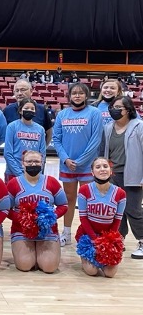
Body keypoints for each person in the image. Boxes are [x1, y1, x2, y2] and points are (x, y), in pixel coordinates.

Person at [52, 82, 103, 247]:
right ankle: (66, 233)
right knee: (69, 199)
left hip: (87, 165)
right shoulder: (62, 114)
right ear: (69, 96)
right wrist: (66, 159)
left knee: (87, 200)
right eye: (74, 93)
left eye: (81, 93)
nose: (77, 96)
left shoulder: (94, 113)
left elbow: (95, 140)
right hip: (67, 164)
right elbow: (57, 140)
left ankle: (88, 234)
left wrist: (80, 161)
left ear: (86, 96)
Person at [7, 151, 68, 273]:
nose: (33, 164)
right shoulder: (13, 183)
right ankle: (32, 253)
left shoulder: (52, 182)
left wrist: (50, 217)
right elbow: (5, 209)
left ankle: (40, 254)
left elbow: (64, 205)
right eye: (29, 161)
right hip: (22, 230)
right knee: (25, 266)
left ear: (42, 163)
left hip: (47, 230)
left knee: (49, 267)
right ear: (22, 164)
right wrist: (23, 220)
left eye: (36, 161)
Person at [100, 96, 143, 259]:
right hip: (113, 175)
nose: (114, 110)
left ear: (129, 110)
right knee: (117, 211)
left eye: (118, 107)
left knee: (133, 210)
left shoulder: (139, 126)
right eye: (112, 107)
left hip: (133, 174)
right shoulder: (108, 127)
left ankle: (142, 240)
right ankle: (119, 239)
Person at [75, 157, 126, 277]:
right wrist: (94, 239)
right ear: (92, 172)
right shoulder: (84, 190)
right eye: (98, 167)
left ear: (111, 171)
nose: (102, 169)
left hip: (108, 236)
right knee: (92, 271)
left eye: (105, 166)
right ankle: (87, 257)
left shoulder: (120, 193)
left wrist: (107, 241)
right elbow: (83, 218)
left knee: (110, 273)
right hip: (88, 235)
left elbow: (117, 220)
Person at [4, 99, 46, 182]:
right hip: (13, 173)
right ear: (20, 110)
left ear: (35, 112)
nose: (29, 110)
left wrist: (38, 173)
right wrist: (20, 174)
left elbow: (42, 154)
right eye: (26, 108)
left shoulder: (40, 129)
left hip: (34, 173)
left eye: (32, 109)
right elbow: (7, 153)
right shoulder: (12, 126)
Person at [3, 80, 53, 147]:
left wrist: (43, 149)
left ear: (31, 91)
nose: (19, 93)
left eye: (23, 90)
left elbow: (49, 132)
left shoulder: (41, 110)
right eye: (17, 91)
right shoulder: (7, 110)